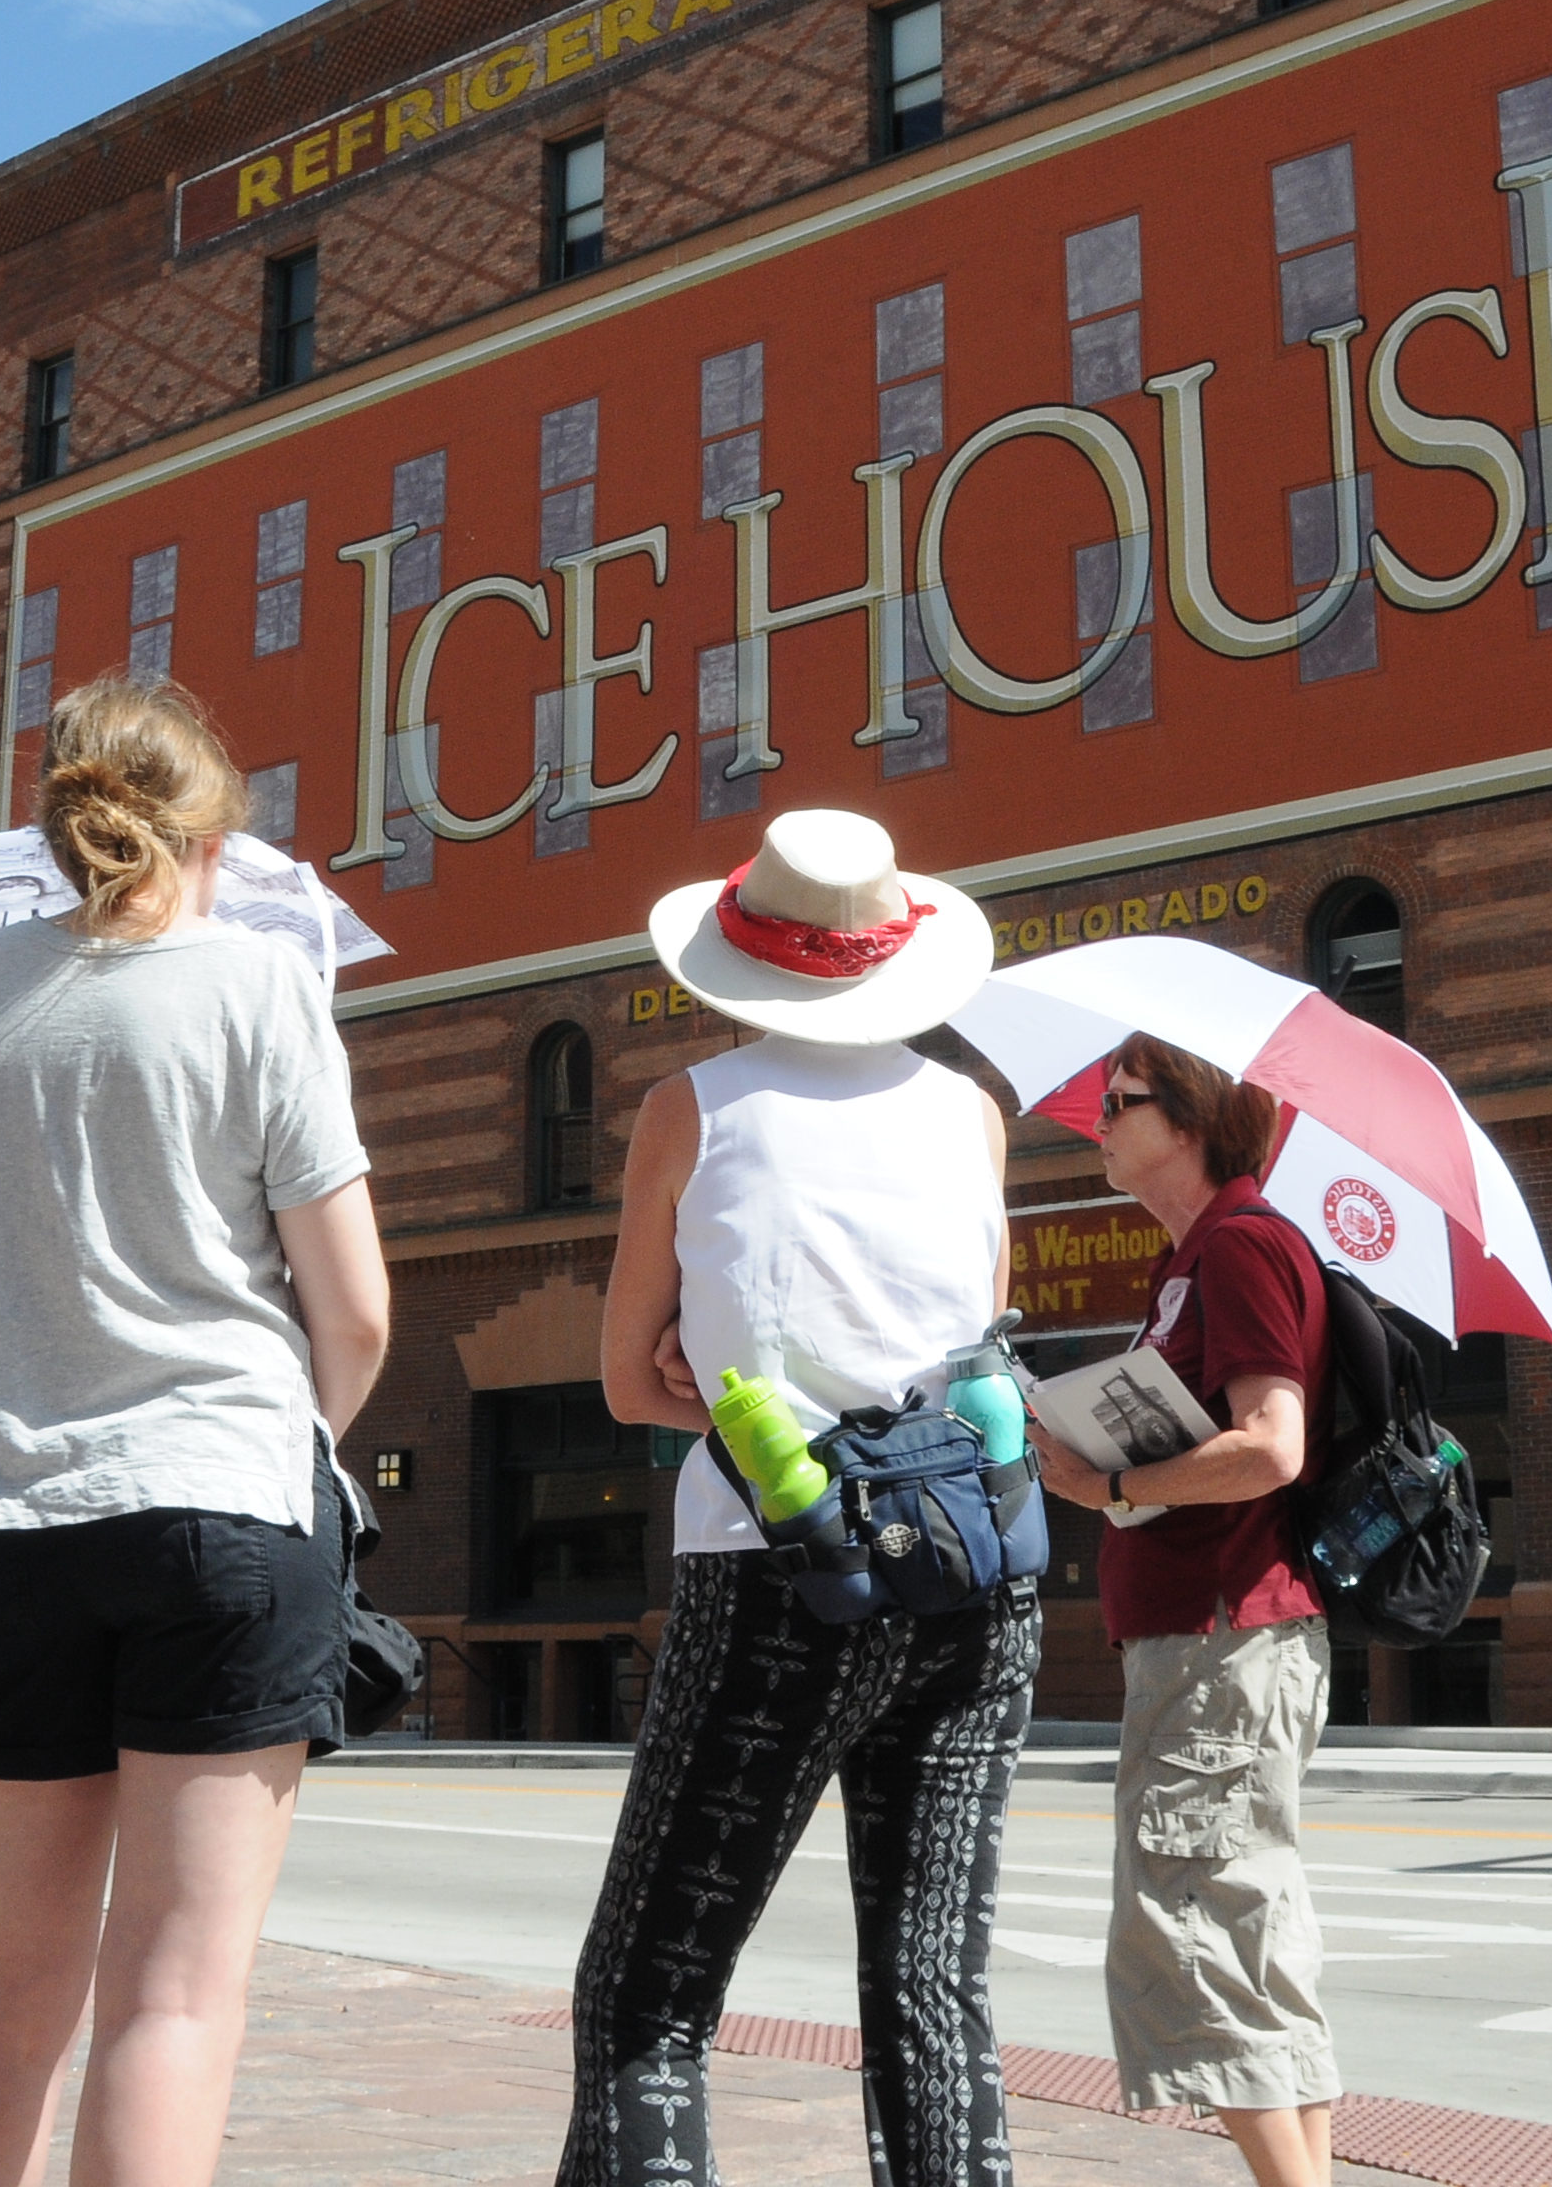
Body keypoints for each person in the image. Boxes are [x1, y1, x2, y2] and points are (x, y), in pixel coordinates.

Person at [0, 675, 389, 2187]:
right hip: (223, 1498)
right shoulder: (260, 984)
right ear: (211, 837)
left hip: (13, 1518)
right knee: (174, 1996)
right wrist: (297, 1441)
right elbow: (356, 1310)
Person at [569, 808, 1028, 2187]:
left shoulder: (691, 1108)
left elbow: (628, 1384)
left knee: (650, 1996)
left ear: (740, 961)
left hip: (773, 1568)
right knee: (932, 1994)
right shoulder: (973, 1114)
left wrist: (712, 1375)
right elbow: (970, 1347)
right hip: (970, 1566)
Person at [1024, 1036, 1339, 2187]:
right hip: (1213, 1640)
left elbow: (1271, 1445)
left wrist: (1108, 1484)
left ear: (1194, 1115)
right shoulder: (1190, 1259)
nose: (1097, 1120)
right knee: (1247, 1936)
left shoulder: (1242, 1243)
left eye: (1120, 1101)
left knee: (1194, 1930)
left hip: (1222, 1640)